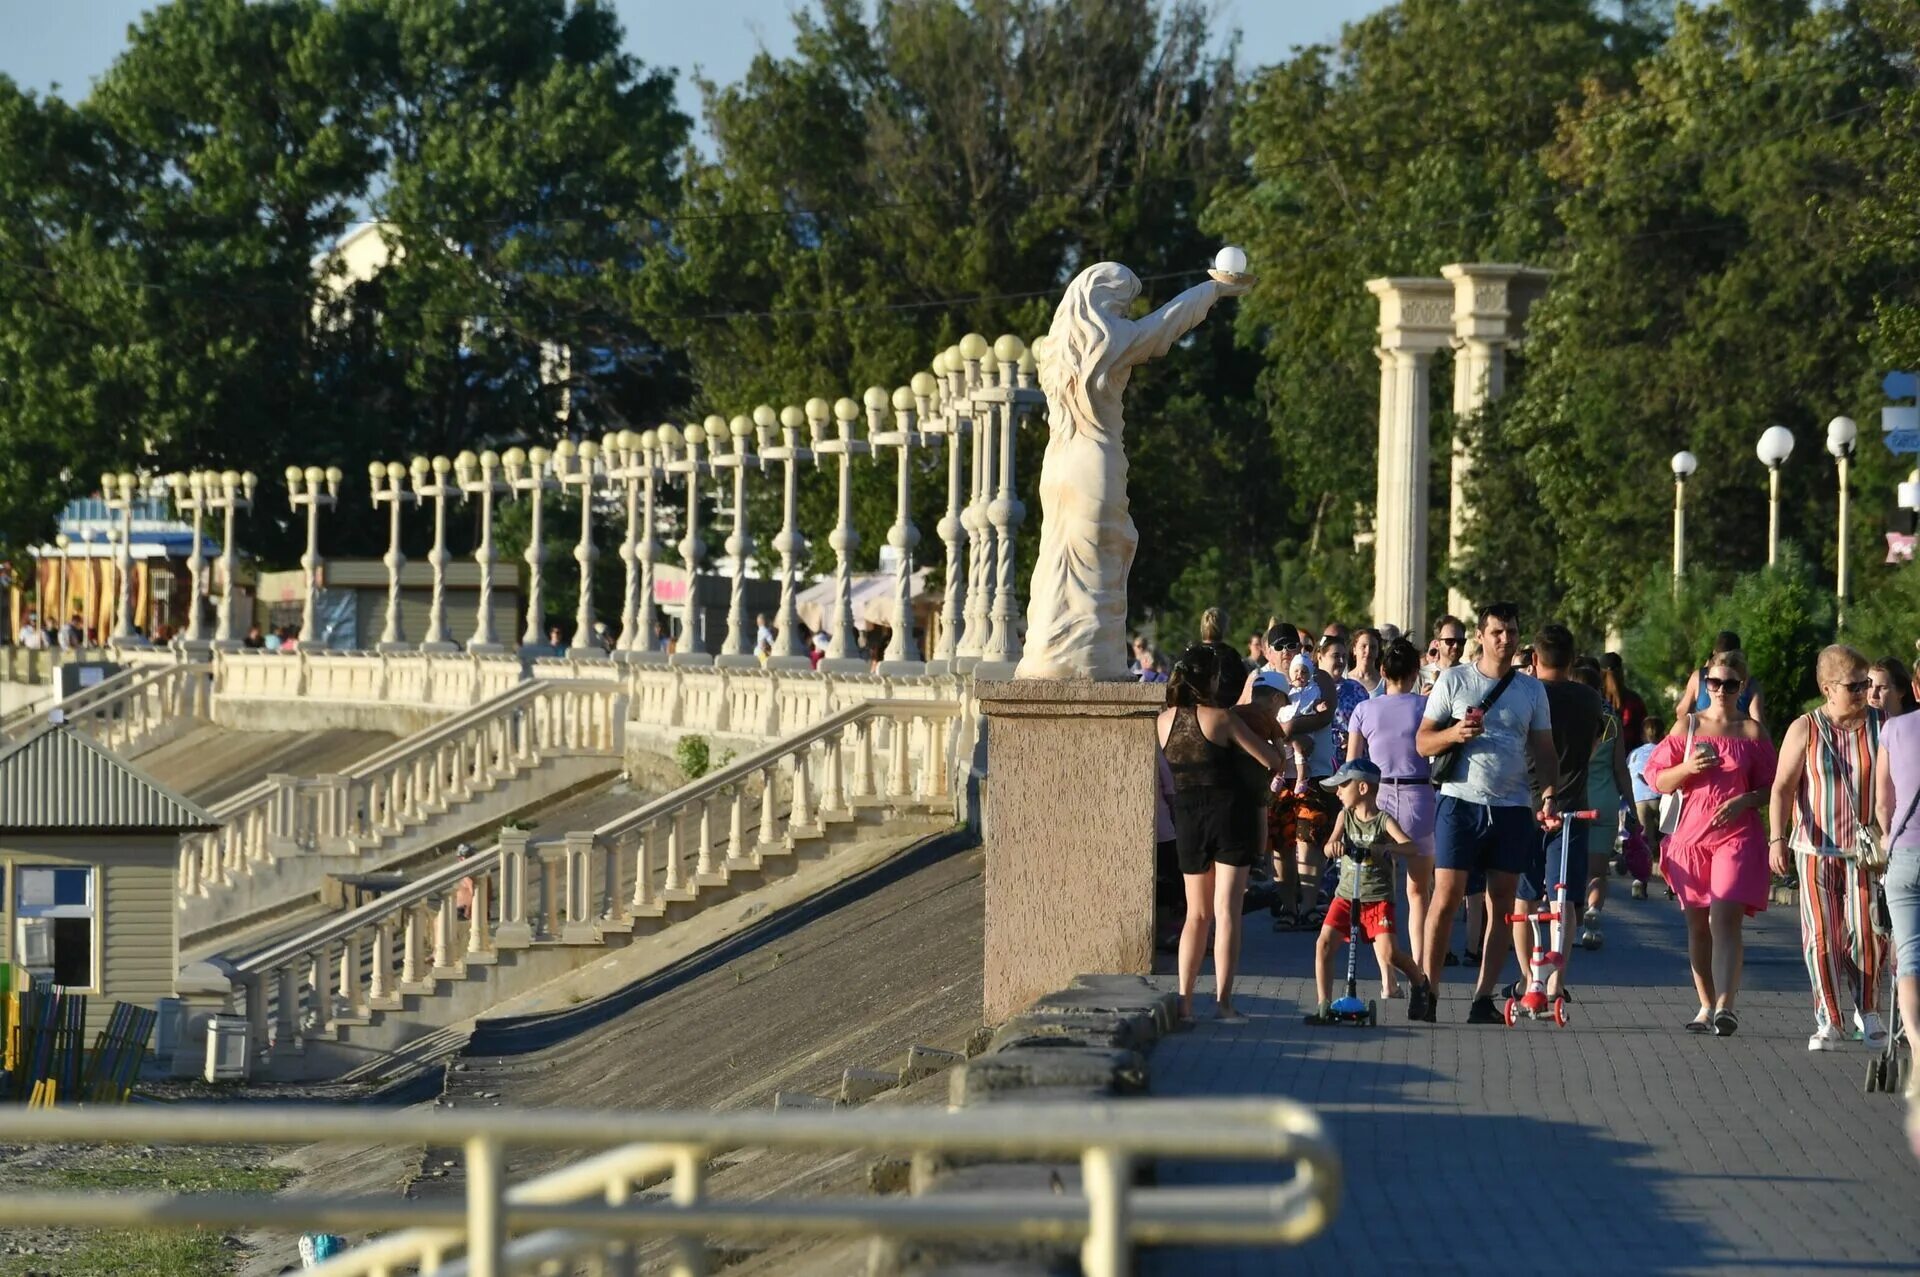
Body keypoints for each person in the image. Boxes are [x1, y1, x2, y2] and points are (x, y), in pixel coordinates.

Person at [1417, 602, 1556, 1024]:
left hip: (1512, 806)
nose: (1505, 639)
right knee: (1446, 897)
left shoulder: (1531, 690)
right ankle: (1428, 990)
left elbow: (1545, 751)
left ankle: (1482, 999)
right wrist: (1455, 732)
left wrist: (1548, 794)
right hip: (1460, 802)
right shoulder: (1455, 680)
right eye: (1496, 631)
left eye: (1511, 631)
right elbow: (1422, 743)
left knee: (1502, 905)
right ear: (1481, 635)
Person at [1646, 649, 1777, 1036]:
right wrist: (1687, 768)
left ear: (1742, 687)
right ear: (1706, 685)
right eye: (1715, 682)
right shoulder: (1687, 726)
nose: (1721, 689)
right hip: (1689, 838)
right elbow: (1655, 779)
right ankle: (1705, 1004)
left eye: (1730, 683)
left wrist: (1745, 800)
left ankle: (1726, 1006)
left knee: (1724, 918)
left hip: (1736, 836)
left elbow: (1774, 786)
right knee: (1698, 926)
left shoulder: (1752, 732)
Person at [1156, 643, 1288, 1022]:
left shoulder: (1163, 722)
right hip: (1229, 817)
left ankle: (1183, 1002)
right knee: (1226, 912)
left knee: (1196, 915)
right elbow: (1271, 760)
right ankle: (1223, 1003)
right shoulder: (1222, 719)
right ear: (1212, 679)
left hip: (1188, 819)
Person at [1769, 644, 1885, 1051]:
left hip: (1867, 853)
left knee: (1868, 933)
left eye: (1867, 684)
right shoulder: (1806, 728)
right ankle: (1829, 1018)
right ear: (1827, 688)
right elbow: (1782, 788)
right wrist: (1777, 838)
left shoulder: (1880, 725)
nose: (1864, 693)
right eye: (1854, 686)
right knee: (1821, 936)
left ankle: (1868, 1011)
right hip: (1815, 848)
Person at [1510, 625, 1604, 1005]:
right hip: (1572, 804)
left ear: (1535, 658)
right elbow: (1596, 745)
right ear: (1571, 657)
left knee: (1525, 898)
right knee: (1563, 896)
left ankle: (1526, 976)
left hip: (1526, 804)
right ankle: (1556, 980)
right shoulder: (1589, 698)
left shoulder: (1527, 694)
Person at [1304, 758, 1435, 1023]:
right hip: (1345, 897)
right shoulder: (1344, 817)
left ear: (1362, 789)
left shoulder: (1383, 821)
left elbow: (1410, 847)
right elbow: (1329, 844)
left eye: (1343, 786)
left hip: (1377, 898)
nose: (1338, 792)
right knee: (1324, 944)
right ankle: (1323, 1004)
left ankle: (1420, 982)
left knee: (1389, 954)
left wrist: (1386, 848)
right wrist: (1334, 847)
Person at [1346, 637, 1437, 979]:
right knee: (1418, 892)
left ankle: (1387, 978)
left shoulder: (1364, 710)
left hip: (1378, 797)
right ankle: (1421, 968)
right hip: (1419, 796)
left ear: (1382, 671)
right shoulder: (1427, 707)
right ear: (1416, 673)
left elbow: (1354, 764)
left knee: (1381, 894)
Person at [1871, 658, 1920, 1103]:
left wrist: (1889, 839)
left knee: (1909, 955)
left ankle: (1916, 1048)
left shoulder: (1893, 732)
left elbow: (1882, 802)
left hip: (1904, 853)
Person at [1676, 630, 1766, 731]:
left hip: (1702, 737)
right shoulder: (1750, 683)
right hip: (1736, 737)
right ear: (1739, 654)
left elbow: (1681, 711)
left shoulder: (1699, 677)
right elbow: (1758, 720)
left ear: (1714, 653)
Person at [1628, 716, 1672, 900]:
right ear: (1663, 734)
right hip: (1660, 796)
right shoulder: (1665, 749)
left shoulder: (1635, 753)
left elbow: (1627, 771)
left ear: (1641, 735)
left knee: (1645, 839)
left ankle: (1640, 880)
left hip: (1639, 799)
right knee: (1670, 837)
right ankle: (1672, 881)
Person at [1278, 652, 1326, 795]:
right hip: (1285, 725)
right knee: (1282, 752)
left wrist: (1319, 707)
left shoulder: (1312, 690)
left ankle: (1301, 779)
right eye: (1296, 671)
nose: (1300, 674)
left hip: (1303, 729)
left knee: (1300, 755)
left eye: (1304, 672)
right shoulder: (1287, 689)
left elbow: (1316, 703)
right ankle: (1279, 775)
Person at [1198, 607, 1250, 706]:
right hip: (1225, 711)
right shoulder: (1229, 655)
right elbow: (1241, 687)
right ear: (1224, 628)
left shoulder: (1191, 654)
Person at [1602, 652, 1648, 743]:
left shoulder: (1596, 699)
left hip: (1601, 754)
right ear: (1621, 672)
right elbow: (1645, 731)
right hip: (1630, 754)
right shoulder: (1634, 700)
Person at [1420, 614, 1466, 694]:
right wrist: (1421, 699)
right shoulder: (1421, 675)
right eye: (1450, 641)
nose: (1456, 646)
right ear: (1437, 644)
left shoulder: (1470, 675)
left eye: (1461, 641)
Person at [1349, 627, 1384, 698]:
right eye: (1363, 646)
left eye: (1373, 647)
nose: (1368, 651)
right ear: (1354, 650)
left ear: (1378, 651)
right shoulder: (1343, 678)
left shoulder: (1384, 683)